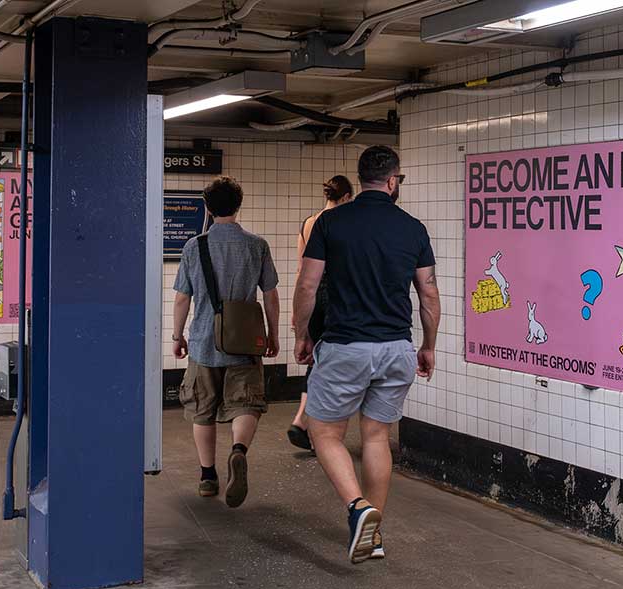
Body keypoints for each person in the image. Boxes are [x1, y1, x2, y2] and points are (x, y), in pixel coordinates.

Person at [294, 145, 441, 564]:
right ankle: (373, 537)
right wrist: (428, 345)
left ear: (362, 180)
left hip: (345, 346)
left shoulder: (331, 222)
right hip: (396, 348)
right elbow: (428, 293)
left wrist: (302, 334)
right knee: (377, 436)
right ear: (393, 181)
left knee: (325, 434)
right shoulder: (413, 228)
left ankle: (358, 508)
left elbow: (307, 285)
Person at [173, 176, 280, 508]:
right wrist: (273, 334)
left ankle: (208, 476)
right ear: (238, 205)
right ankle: (238, 451)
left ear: (207, 207)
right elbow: (271, 294)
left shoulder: (194, 246)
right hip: (245, 341)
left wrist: (178, 336)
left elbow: (182, 298)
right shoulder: (257, 245)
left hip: (204, 341)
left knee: (202, 409)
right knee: (246, 403)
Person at [286, 175, 354, 451]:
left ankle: (302, 421)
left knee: (316, 360)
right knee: (332, 363)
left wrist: (297, 311)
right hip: (335, 297)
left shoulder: (308, 223)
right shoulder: (343, 223)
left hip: (311, 298)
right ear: (346, 197)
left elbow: (301, 272)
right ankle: (313, 427)